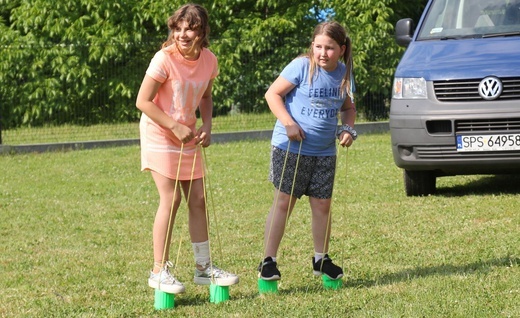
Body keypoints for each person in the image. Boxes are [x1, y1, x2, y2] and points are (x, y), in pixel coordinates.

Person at [136, 3, 238, 294]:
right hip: (159, 131)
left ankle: (204, 269)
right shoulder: (163, 59)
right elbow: (142, 102)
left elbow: (205, 96)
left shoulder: (209, 60)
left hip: (188, 134)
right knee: (171, 200)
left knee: (197, 199)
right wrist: (174, 126)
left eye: (190, 29)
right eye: (178, 29)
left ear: (202, 32)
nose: (182, 34)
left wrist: (207, 125)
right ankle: (159, 270)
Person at [258, 21, 356, 282]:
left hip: (324, 152)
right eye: (318, 46)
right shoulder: (301, 66)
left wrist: (348, 129)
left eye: (330, 48)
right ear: (312, 46)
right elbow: (272, 95)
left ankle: (320, 259)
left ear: (342, 49)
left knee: (322, 205)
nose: (323, 53)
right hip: (291, 148)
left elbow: (348, 108)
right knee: (284, 203)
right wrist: (289, 123)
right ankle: (268, 261)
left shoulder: (344, 74)